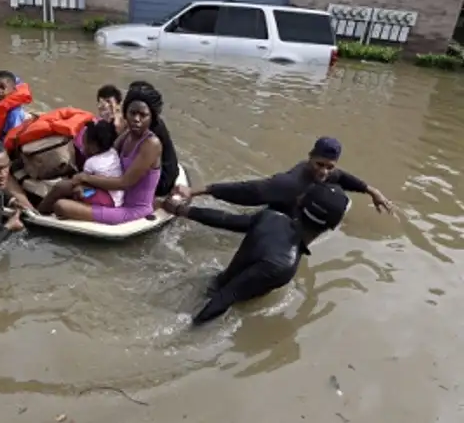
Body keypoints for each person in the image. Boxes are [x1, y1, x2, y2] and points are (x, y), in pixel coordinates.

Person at [162, 182, 351, 325]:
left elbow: (227, 220)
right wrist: (192, 329)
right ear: (331, 227)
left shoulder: (272, 217)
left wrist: (180, 209)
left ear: (300, 201)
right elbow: (227, 297)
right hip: (219, 307)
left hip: (212, 281)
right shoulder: (284, 265)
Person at [173, 136, 393, 215]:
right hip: (275, 208)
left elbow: (344, 178)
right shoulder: (289, 184)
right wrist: (195, 191)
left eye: (329, 167)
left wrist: (372, 191)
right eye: (319, 164)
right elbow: (245, 190)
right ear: (309, 158)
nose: (324, 172)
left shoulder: (327, 173)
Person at [50, 89, 162, 224]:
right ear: (125, 113)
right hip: (113, 196)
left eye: (143, 115)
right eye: (132, 113)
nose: (136, 119)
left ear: (152, 117)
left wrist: (85, 178)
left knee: (61, 206)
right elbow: (106, 155)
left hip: (132, 209)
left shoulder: (151, 144)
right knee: (62, 187)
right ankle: (35, 213)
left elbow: (125, 183)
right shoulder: (127, 135)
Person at [37, 120, 123, 214]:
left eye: (84, 144)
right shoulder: (112, 152)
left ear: (93, 147)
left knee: (62, 187)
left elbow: (80, 182)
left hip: (105, 199)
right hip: (116, 198)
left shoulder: (91, 163)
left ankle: (40, 212)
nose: (82, 147)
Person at [127, 81, 180, 197]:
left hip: (163, 181)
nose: (137, 118)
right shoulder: (145, 122)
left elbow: (126, 181)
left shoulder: (152, 132)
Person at [0, 70, 28, 139]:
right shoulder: (1, 102)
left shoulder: (14, 114)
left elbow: (13, 136)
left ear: (13, 89)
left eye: (2, 88)